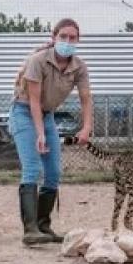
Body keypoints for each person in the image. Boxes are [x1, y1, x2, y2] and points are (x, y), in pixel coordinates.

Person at [9, 18, 93, 246]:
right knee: (33, 168)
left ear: (78, 40)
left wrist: (86, 128)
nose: (67, 41)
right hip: (24, 112)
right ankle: (30, 229)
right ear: (53, 37)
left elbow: (86, 98)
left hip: (47, 116)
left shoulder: (79, 67)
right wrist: (41, 134)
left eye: (72, 37)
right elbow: (34, 101)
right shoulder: (37, 61)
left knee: (54, 172)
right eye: (63, 36)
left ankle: (43, 226)